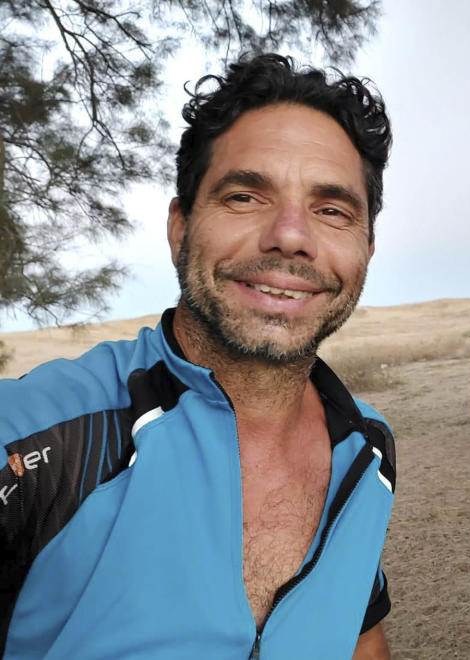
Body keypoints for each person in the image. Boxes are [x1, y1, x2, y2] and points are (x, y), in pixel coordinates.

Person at [0, 53, 396, 659]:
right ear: (180, 227)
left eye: (332, 210)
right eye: (244, 196)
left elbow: (358, 631)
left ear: (366, 247)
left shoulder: (368, 451)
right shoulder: (40, 442)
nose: (291, 235)